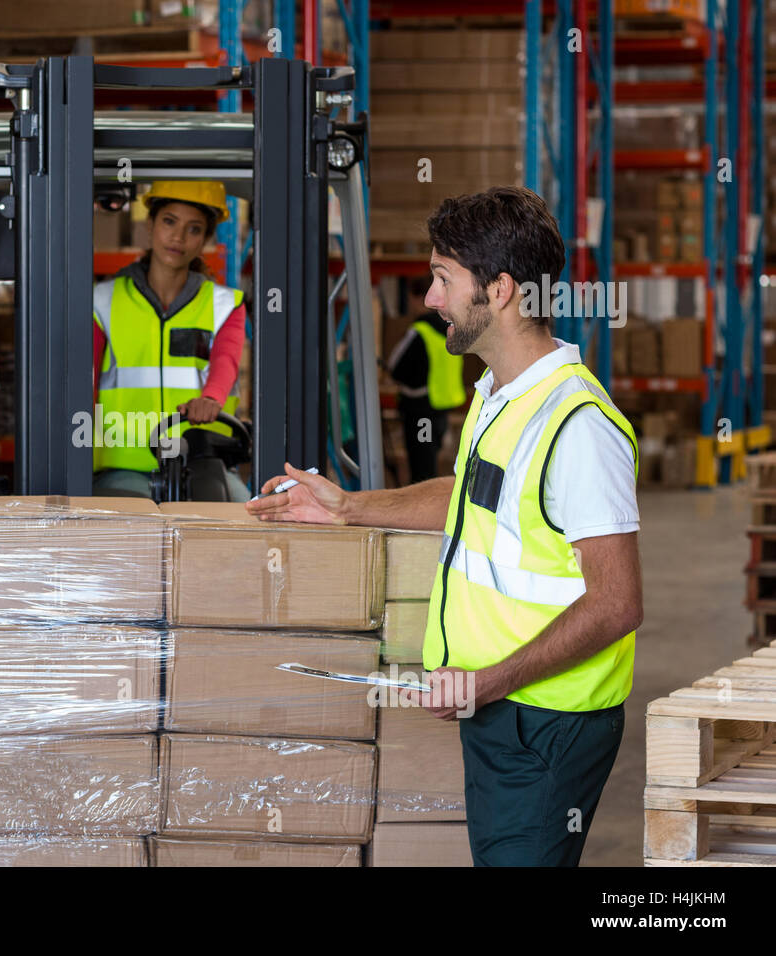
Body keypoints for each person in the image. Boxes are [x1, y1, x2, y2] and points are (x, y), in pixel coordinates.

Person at [247, 187, 642, 867]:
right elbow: (469, 497)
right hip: (500, 703)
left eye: (442, 280)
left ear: (503, 290)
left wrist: (493, 680)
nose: (430, 300)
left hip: (544, 718)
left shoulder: (577, 426)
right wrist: (348, 507)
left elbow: (618, 602)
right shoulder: (499, 394)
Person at [92, 180, 248, 501]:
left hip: (204, 459)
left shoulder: (225, 305)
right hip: (124, 463)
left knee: (246, 518)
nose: (178, 237)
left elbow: (225, 362)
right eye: (169, 222)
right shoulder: (102, 301)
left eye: (194, 229)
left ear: (205, 239)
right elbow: (84, 379)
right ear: (149, 225)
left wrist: (212, 400)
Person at [386, 280, 466, 483]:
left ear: (416, 299)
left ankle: (422, 508)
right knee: (429, 460)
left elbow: (395, 366)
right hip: (440, 408)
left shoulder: (421, 331)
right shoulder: (450, 329)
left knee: (421, 465)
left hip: (421, 412)